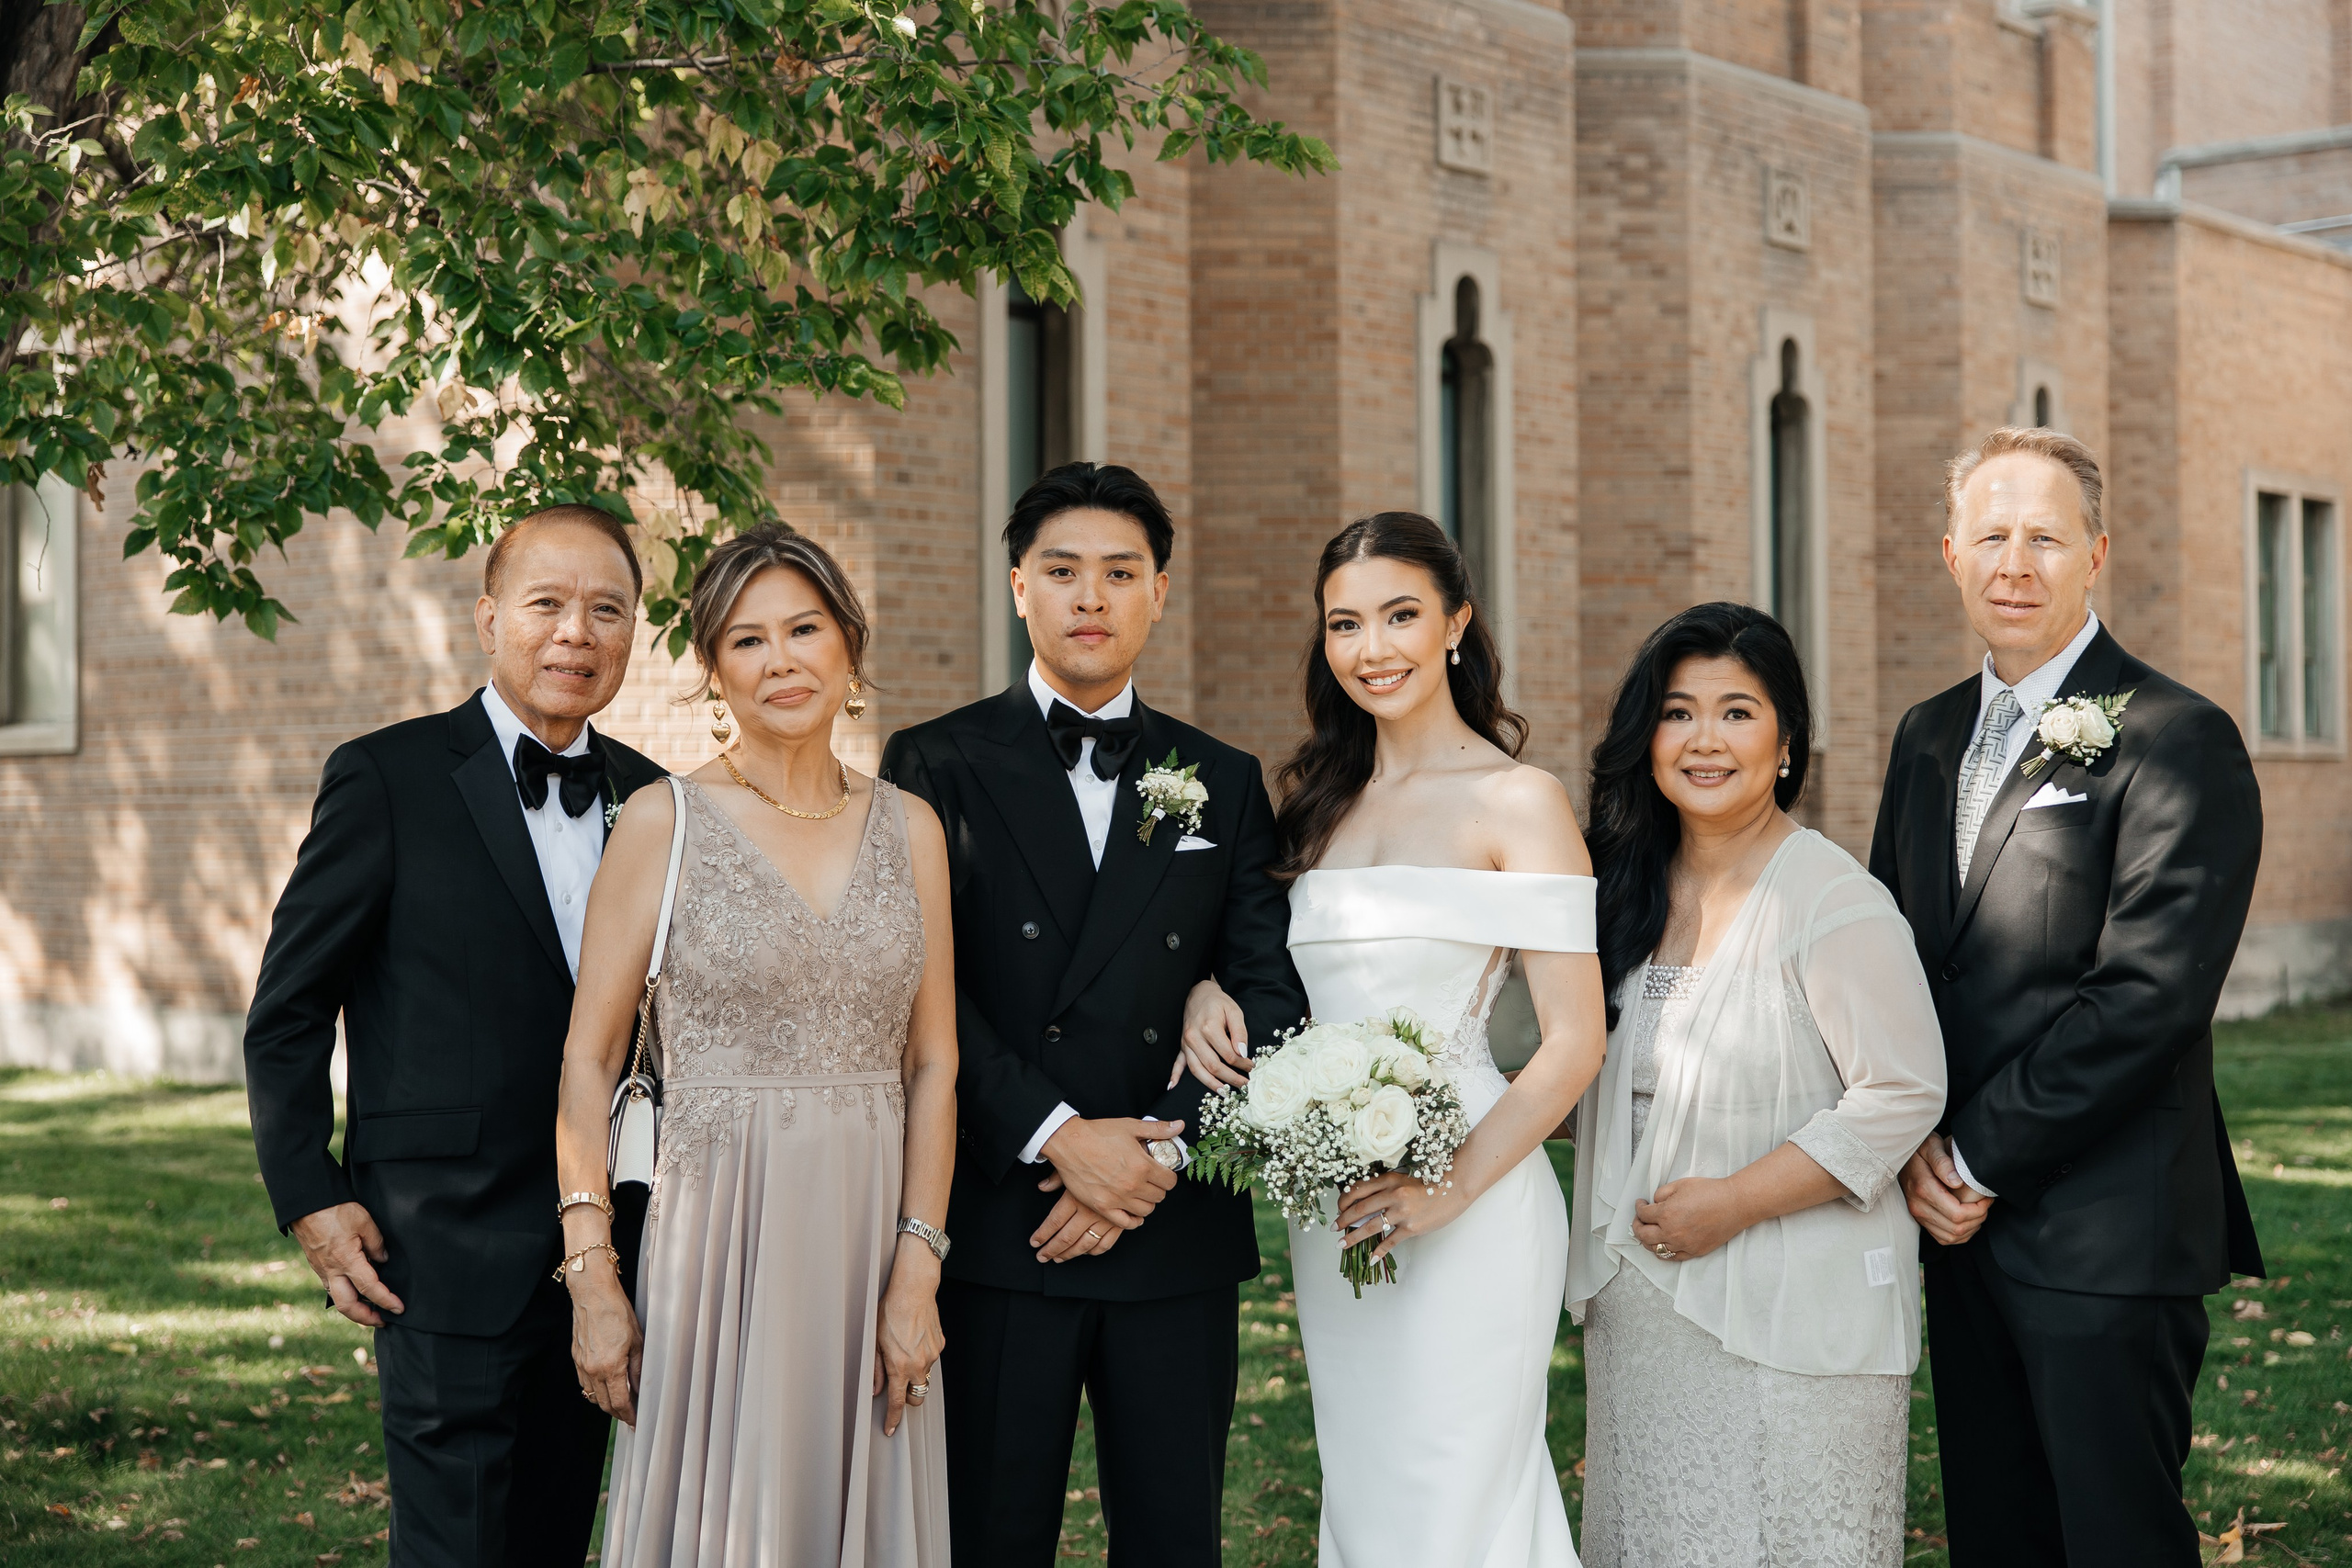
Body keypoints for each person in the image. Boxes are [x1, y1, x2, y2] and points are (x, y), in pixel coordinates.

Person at [878, 461, 1307, 1568]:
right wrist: (1060, 1139)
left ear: (1158, 593)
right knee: (990, 1535)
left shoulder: (1221, 777)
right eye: (1062, 571)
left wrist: (1150, 1162)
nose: (1091, 597)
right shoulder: (933, 763)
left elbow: (1267, 991)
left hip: (1171, 1234)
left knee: (1173, 1540)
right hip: (1004, 1213)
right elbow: (921, 986)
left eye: (1120, 573)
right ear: (1018, 586)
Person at [1174, 512, 1607, 1568]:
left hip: (1475, 1197)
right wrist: (1202, 990)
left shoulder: (1520, 800)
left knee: (1463, 1491)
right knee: (1370, 1495)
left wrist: (1446, 1187)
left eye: (1401, 615)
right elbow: (1278, 979)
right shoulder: (1316, 803)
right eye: (1345, 624)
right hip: (1338, 1203)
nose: (1374, 648)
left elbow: (1571, 1043)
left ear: (1456, 622)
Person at [243, 505, 668, 1568]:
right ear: (489, 619)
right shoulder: (385, 778)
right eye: (547, 604)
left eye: (605, 610)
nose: (576, 632)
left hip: (612, 1249)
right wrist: (308, 1194)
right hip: (438, 1245)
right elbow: (289, 1008)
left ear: (632, 634)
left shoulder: (656, 799)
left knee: (554, 1535)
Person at [1871, 427, 2265, 1568]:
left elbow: (2147, 993)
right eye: (1990, 535)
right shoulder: (1926, 736)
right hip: (1953, 1233)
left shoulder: (2175, 736)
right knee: (1996, 1537)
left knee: (2113, 1541)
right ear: (1950, 553)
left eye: (2043, 538)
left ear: (2094, 554)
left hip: (2104, 1233)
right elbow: (1898, 958)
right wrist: (1907, 1147)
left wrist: (1972, 1159)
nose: (2014, 562)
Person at [559, 525, 958, 1565]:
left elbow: (934, 1063)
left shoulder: (911, 826)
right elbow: (589, 1061)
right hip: (717, 1237)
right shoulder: (663, 819)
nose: (780, 661)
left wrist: (917, 1268)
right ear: (711, 668)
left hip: (871, 1230)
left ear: (848, 644)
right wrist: (593, 1274)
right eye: (746, 641)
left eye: (803, 630)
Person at [1566, 603, 1946, 1568]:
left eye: (1737, 713)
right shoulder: (1622, 893)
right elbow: (1583, 1078)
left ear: (1785, 743)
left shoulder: (1831, 898)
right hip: (1644, 1306)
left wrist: (1732, 1203)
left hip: (1792, 1306)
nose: (1704, 740)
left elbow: (1901, 1092)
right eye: (1678, 711)